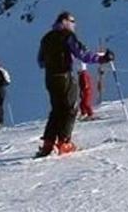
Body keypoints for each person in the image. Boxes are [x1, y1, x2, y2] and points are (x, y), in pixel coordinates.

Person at [36, 11, 114, 157]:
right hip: (64, 75)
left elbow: (40, 61)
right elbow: (82, 55)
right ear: (65, 21)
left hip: (50, 77)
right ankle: (64, 143)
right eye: (72, 21)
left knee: (56, 109)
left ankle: (48, 143)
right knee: (70, 108)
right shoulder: (67, 36)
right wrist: (102, 59)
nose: (74, 24)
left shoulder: (46, 38)